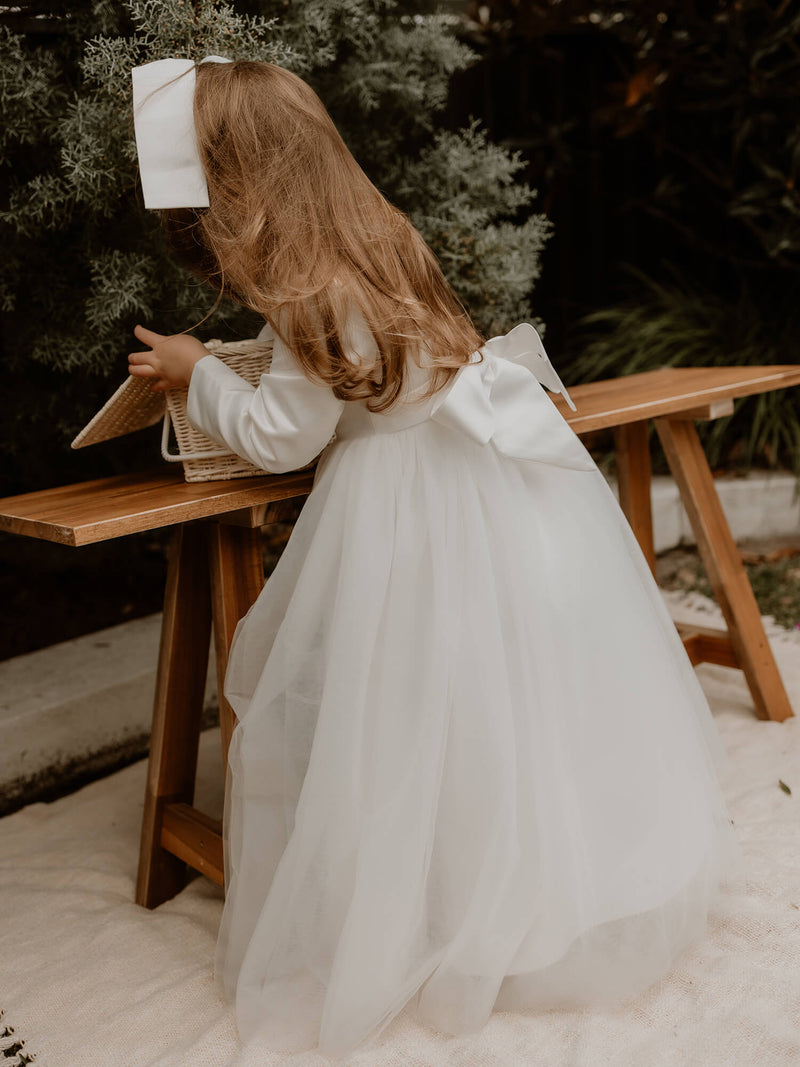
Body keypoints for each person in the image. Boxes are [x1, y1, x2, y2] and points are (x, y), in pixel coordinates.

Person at [127, 57, 740, 1059]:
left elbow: (282, 434)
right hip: (479, 478)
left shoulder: (300, 283)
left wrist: (196, 373)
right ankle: (521, 863)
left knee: (394, 695)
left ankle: (425, 894)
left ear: (232, 183)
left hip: (400, 500)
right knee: (492, 695)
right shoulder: (375, 235)